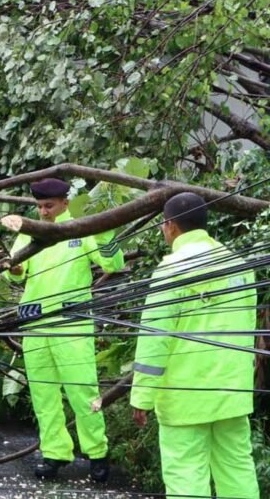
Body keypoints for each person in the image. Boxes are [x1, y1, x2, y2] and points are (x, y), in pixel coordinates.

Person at [130, 193, 259, 498]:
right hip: (232, 392)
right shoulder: (239, 266)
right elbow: (249, 327)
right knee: (237, 468)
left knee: (186, 474)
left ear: (170, 226)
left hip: (185, 396)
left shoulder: (170, 271)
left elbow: (154, 338)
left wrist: (142, 395)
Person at [0, 178, 124, 481]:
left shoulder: (79, 230)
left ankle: (97, 454)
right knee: (44, 395)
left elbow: (115, 263)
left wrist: (107, 230)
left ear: (65, 204)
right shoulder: (30, 231)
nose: (43, 212)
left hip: (71, 324)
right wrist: (13, 270)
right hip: (34, 323)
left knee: (83, 392)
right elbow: (15, 274)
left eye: (49, 206)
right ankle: (55, 453)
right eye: (39, 206)